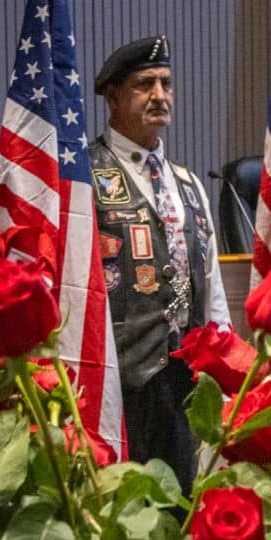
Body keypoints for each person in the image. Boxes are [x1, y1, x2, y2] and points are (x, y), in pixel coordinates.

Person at [89, 36, 228, 492]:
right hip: (119, 378)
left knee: (181, 507)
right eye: (144, 84)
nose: (159, 96)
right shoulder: (88, 177)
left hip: (184, 377)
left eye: (166, 83)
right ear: (112, 98)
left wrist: (222, 365)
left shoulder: (187, 184)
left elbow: (212, 286)